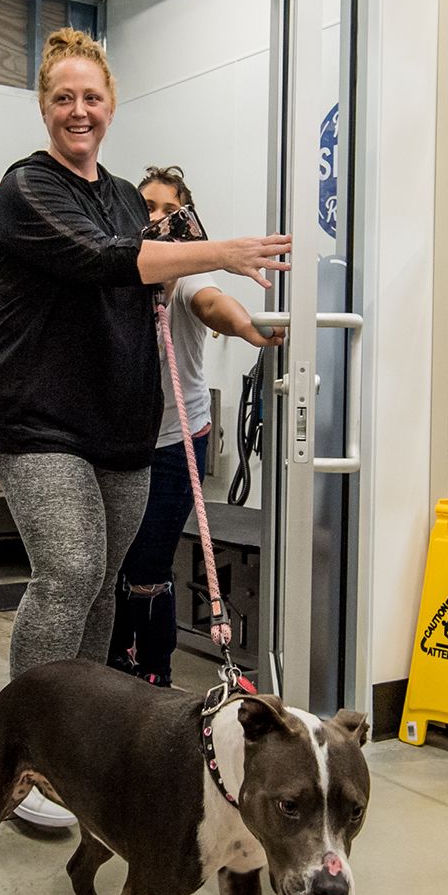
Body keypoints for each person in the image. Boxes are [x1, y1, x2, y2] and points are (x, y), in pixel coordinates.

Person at [0, 29, 289, 832]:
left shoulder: (120, 192)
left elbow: (175, 283)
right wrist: (217, 248)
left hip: (117, 420)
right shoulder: (26, 187)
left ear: (111, 107)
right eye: (64, 98)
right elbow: (106, 258)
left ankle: (71, 747)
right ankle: (20, 752)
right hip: (35, 415)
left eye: (93, 97)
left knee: (104, 583)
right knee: (69, 571)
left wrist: (234, 306)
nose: (80, 110)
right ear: (44, 107)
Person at [108, 167, 282, 687]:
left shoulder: (188, 277)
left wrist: (248, 325)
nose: (155, 218)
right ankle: (110, 672)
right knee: (111, 569)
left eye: (166, 208)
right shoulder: (119, 269)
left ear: (184, 219)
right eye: (147, 208)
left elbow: (211, 304)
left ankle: (152, 678)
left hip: (174, 442)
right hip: (119, 442)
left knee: (148, 571)